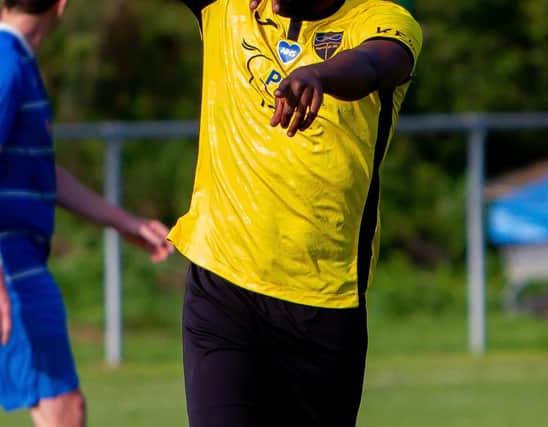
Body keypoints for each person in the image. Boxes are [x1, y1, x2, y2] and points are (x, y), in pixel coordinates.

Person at [168, 0, 423, 425]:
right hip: (222, 286)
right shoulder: (226, 8)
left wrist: (318, 74)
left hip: (322, 302)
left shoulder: (383, 20)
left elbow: (372, 65)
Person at [0, 1, 174, 426]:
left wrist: (123, 222)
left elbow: (41, 171)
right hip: (7, 270)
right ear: (62, 5)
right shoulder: (3, 64)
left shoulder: (3, 58)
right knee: (64, 411)